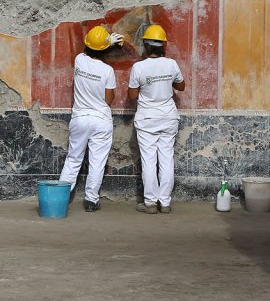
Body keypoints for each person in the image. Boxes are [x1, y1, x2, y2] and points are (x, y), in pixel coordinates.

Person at [58, 25, 123, 212]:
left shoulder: (79, 60)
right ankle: (91, 201)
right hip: (101, 119)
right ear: (105, 50)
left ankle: (61, 197)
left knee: (73, 159)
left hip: (79, 118)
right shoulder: (107, 71)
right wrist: (111, 42)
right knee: (97, 162)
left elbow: (91, 49)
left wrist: (107, 41)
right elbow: (109, 99)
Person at [127, 24, 185, 214]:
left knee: (149, 161)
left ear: (145, 45)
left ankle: (150, 203)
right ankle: (165, 203)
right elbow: (181, 86)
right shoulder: (171, 64)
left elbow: (132, 96)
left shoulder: (139, 67)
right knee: (166, 159)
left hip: (147, 119)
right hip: (168, 117)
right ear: (163, 46)